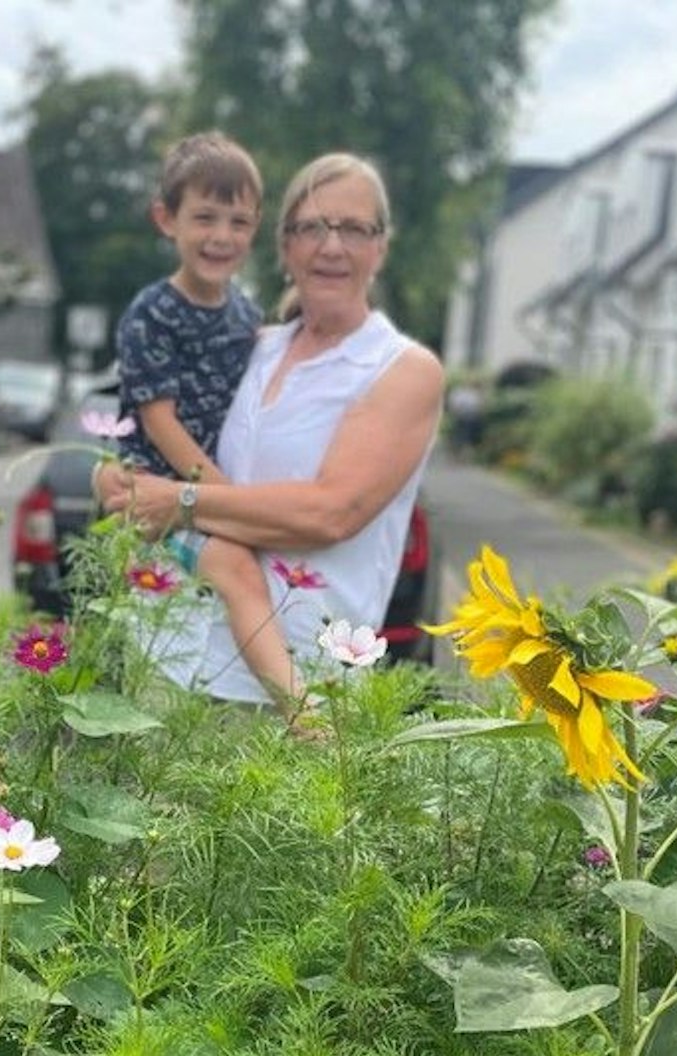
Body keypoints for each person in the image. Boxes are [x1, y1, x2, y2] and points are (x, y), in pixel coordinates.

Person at [101, 151, 445, 709]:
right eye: (312, 227)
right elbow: (157, 417)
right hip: (168, 659)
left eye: (354, 229)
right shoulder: (254, 347)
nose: (331, 246)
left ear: (380, 247)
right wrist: (115, 477)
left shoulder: (401, 369)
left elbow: (329, 513)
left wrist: (183, 501)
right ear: (285, 247)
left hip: (295, 695)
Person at [114, 133, 306, 710]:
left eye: (238, 221)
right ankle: (300, 712)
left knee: (223, 623)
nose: (221, 236)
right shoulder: (151, 314)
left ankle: (257, 704)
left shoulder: (247, 315)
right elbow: (161, 423)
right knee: (230, 573)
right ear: (165, 219)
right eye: (204, 217)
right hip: (160, 498)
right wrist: (228, 502)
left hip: (209, 498)